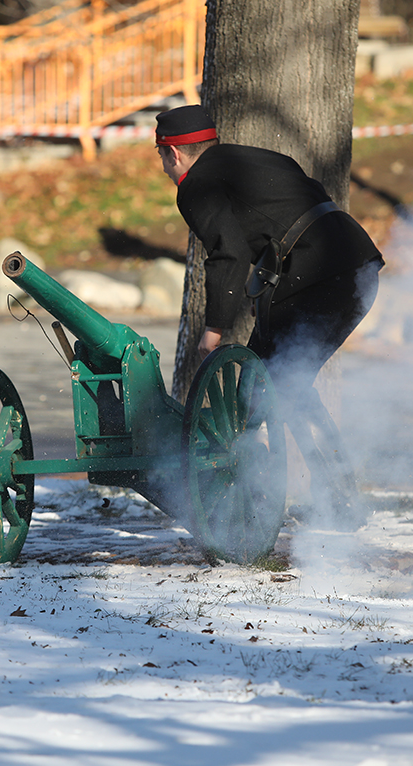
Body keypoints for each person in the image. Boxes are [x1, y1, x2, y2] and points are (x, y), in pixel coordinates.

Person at [155, 104, 384, 528]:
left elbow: (228, 252)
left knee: (281, 385)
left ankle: (336, 502)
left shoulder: (196, 184)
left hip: (319, 280)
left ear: (174, 154)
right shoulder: (259, 158)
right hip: (357, 268)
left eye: (161, 158)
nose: (165, 168)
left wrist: (213, 331)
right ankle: (327, 493)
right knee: (272, 379)